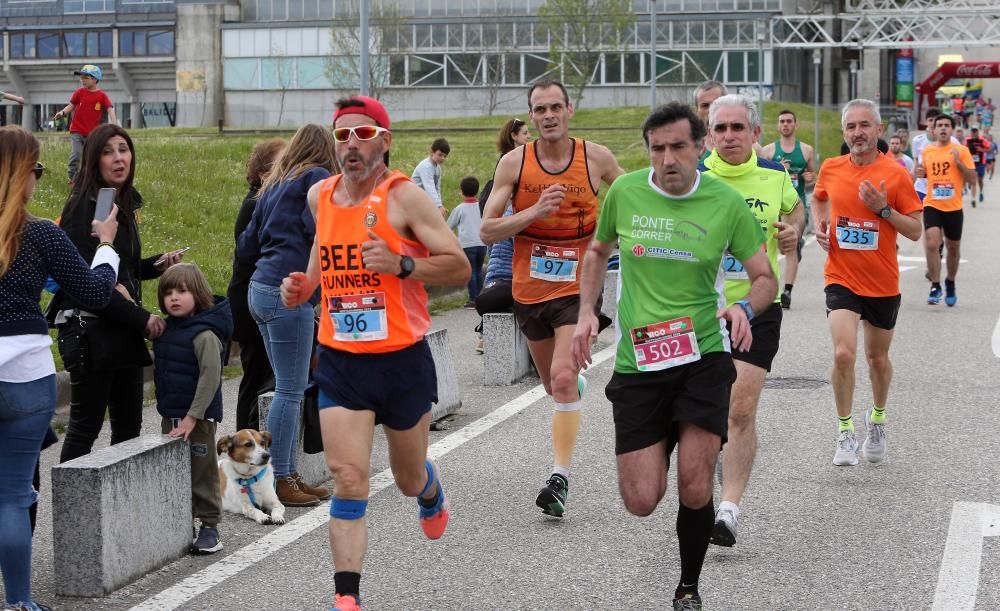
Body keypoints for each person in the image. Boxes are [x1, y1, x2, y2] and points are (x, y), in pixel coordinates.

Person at [571, 102, 775, 611]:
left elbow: (764, 276)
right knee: (641, 501)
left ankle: (688, 586)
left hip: (702, 355)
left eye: (678, 147)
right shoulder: (626, 192)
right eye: (657, 148)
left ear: (698, 147)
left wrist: (745, 307)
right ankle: (662, 437)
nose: (667, 159)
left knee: (694, 481)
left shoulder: (725, 203)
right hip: (640, 362)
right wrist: (586, 313)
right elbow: (597, 251)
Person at [280, 95, 470, 611]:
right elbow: (324, 246)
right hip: (342, 360)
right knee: (348, 477)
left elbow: (459, 268)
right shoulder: (321, 195)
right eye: (342, 136)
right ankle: (347, 598)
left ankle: (430, 488)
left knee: (407, 479)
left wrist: (402, 265)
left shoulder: (403, 196)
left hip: (401, 360)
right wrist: (306, 287)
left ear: (384, 140)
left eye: (362, 135)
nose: (351, 146)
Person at [481, 79, 623, 518]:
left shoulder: (595, 158)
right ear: (531, 113)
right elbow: (486, 230)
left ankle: (559, 478)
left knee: (560, 380)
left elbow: (635, 202)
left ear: (570, 110)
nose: (547, 116)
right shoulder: (513, 163)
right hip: (529, 290)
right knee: (554, 384)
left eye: (555, 107)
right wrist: (534, 211)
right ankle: (571, 386)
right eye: (539, 109)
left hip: (577, 290)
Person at [0, 125, 120, 611]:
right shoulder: (42, 234)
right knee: (11, 496)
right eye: (37, 170)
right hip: (27, 376)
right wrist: (106, 245)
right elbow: (94, 292)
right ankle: (21, 601)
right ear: (23, 174)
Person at [702, 95, 803, 548]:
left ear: (755, 134)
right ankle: (702, 488)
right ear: (708, 136)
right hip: (699, 311)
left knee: (741, 408)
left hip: (756, 309)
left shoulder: (775, 174)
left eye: (737, 128)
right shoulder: (693, 177)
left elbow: (794, 210)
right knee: (704, 414)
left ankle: (729, 509)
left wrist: (792, 229)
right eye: (720, 129)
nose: (728, 137)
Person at [54, 124, 181, 464]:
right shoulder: (90, 207)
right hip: (93, 330)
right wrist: (144, 319)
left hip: (120, 327)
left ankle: (122, 514)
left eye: (123, 149)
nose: (118, 158)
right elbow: (91, 282)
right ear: (94, 160)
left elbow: (116, 265)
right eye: (108, 152)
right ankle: (73, 511)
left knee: (128, 428)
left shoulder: (117, 202)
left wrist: (155, 266)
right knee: (86, 427)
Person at [813, 99, 923, 467]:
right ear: (844, 133)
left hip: (881, 281)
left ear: (879, 131)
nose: (857, 133)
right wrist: (820, 226)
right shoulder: (831, 167)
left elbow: (914, 230)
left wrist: (883, 210)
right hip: (841, 275)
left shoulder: (895, 174)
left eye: (865, 126)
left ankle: (876, 419)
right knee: (843, 354)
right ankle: (845, 431)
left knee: (877, 359)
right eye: (850, 127)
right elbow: (819, 198)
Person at [237, 124, 336, 507]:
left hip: (259, 289)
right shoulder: (317, 178)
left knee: (285, 386)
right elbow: (324, 232)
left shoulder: (272, 184)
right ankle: (280, 477)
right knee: (290, 391)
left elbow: (246, 245)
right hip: (288, 290)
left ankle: (289, 473)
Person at [153, 263, 232, 555]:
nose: (174, 298)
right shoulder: (168, 329)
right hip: (172, 415)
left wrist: (191, 418)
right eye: (168, 293)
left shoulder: (205, 334)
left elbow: (210, 379)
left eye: (182, 292)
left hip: (197, 419)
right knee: (175, 470)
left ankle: (210, 526)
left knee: (202, 471)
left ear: (198, 294)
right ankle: (180, 522)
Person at [228, 138, 285, 430]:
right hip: (250, 298)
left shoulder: (265, 200)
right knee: (256, 372)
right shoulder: (257, 202)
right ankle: (244, 440)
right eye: (281, 164)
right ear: (264, 172)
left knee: (265, 371)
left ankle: (256, 436)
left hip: (253, 295)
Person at [917, 114, 976, 306]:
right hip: (932, 203)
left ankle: (950, 282)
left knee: (953, 247)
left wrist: (958, 163)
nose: (942, 128)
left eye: (946, 125)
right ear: (933, 130)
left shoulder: (962, 150)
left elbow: (972, 179)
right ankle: (935, 285)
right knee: (933, 243)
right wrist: (921, 173)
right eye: (939, 125)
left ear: (952, 129)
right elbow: (926, 173)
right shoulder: (927, 151)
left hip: (954, 207)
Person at [761, 108, 815, 309]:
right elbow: (761, 180)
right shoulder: (767, 151)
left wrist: (809, 179)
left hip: (794, 206)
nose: (785, 124)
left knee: (792, 247)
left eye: (789, 121)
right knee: (771, 248)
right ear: (778, 125)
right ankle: (767, 286)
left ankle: (787, 291)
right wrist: (776, 169)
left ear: (795, 124)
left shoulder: (806, 150)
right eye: (782, 121)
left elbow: (811, 179)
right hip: (774, 207)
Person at [52, 65, 117, 182]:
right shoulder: (79, 92)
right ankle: (73, 176)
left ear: (95, 79)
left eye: (86, 77)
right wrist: (62, 112)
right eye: (81, 77)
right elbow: (71, 106)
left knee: (90, 157)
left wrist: (114, 126)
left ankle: (88, 178)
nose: (82, 80)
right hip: (77, 130)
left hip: (92, 134)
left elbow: (110, 109)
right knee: (76, 153)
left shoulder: (102, 96)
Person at [447, 176, 487, 308]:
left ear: (462, 191)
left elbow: (448, 226)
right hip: (482, 243)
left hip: (467, 245)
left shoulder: (460, 209)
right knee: (479, 270)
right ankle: (481, 297)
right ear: (477, 191)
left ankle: (473, 299)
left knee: (471, 271)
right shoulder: (482, 206)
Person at [410, 138, 450, 218]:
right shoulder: (426, 166)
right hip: (412, 197)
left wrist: (439, 205)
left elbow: (437, 188)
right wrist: (438, 206)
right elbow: (429, 187)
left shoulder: (438, 168)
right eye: (440, 155)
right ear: (432, 152)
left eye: (445, 156)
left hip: (423, 198)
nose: (442, 158)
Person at [693, 80, 727, 161]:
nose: (711, 110)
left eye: (716, 104)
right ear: (696, 110)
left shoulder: (748, 147)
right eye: (705, 106)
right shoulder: (689, 147)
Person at [964, 126, 988, 206]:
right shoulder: (967, 140)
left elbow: (989, 148)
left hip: (981, 163)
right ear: (971, 132)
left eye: (975, 131)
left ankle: (981, 192)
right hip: (971, 163)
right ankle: (973, 199)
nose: (974, 133)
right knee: (973, 181)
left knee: (980, 180)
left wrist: (982, 150)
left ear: (978, 132)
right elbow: (964, 149)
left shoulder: (982, 140)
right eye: (972, 131)